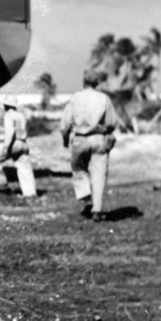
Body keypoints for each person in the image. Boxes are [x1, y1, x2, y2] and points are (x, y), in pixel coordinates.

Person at [59, 69, 121, 221]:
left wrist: (66, 139)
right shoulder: (104, 98)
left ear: (84, 82)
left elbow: (65, 123)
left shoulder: (75, 98)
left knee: (78, 170)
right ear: (97, 83)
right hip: (99, 140)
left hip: (80, 139)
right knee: (99, 175)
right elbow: (112, 122)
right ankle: (97, 210)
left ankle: (87, 199)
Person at [0, 95, 36, 197]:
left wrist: (5, 146)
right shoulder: (21, 116)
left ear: (6, 106)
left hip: (14, 144)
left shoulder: (8, 116)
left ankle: (0, 182)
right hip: (24, 144)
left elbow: (11, 132)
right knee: (25, 169)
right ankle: (30, 193)